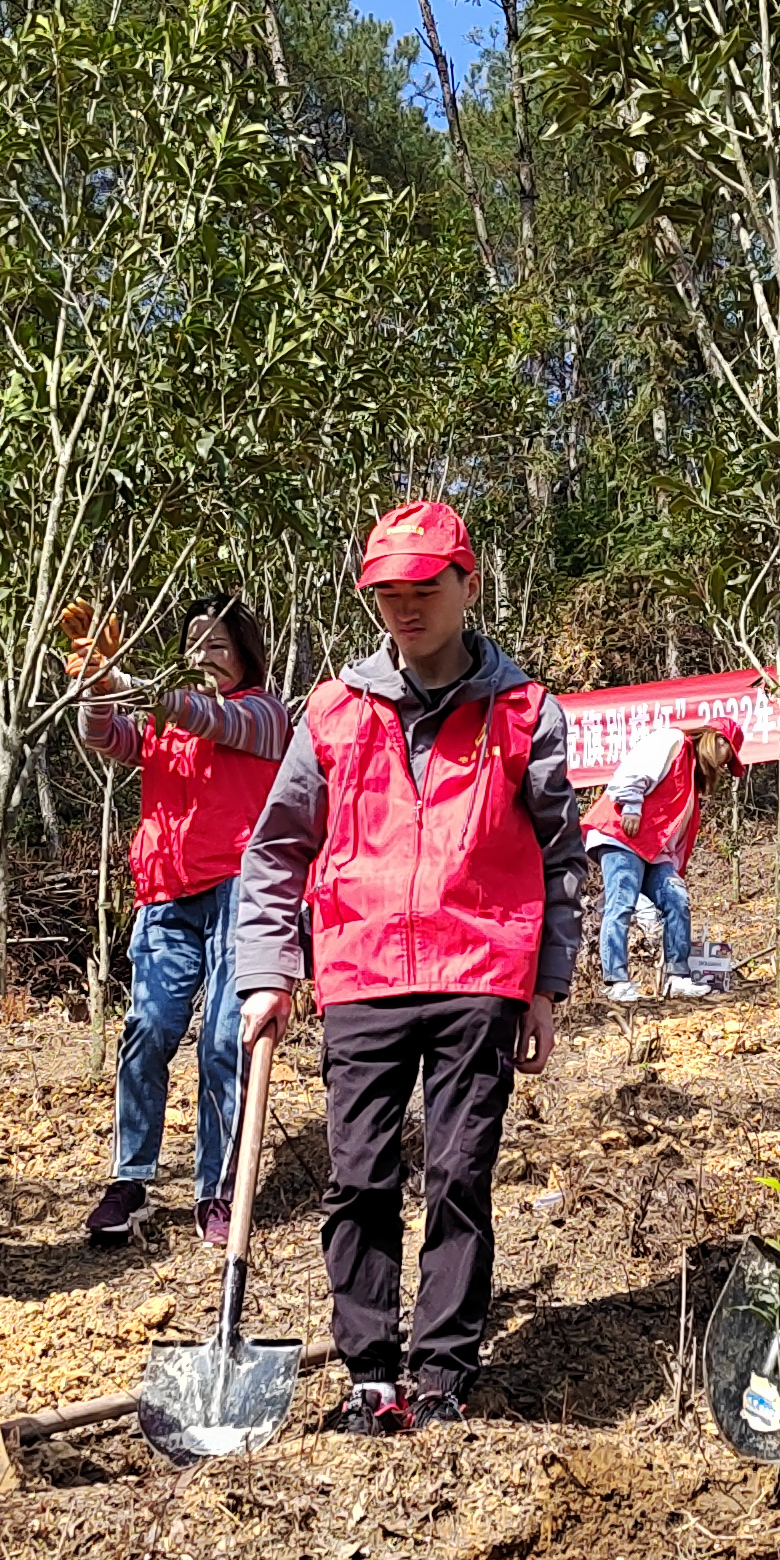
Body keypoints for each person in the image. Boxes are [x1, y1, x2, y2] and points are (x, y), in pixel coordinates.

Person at [234, 500, 578, 1433]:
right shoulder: (334, 711)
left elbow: (558, 857)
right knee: (358, 1177)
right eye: (388, 594)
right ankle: (369, 1370)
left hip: (481, 971)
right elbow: (277, 851)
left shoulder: (523, 712)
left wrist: (547, 984)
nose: (406, 609)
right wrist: (269, 970)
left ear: (468, 583)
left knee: (461, 1173)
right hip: (360, 973)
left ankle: (442, 1372)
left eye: (425, 589)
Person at [77, 597, 289, 1246]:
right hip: (165, 894)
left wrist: (129, 681)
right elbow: (104, 734)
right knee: (147, 1030)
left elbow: (205, 714)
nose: (203, 657)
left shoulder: (260, 712)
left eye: (217, 646)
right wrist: (94, 683)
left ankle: (215, 1190)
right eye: (193, 644)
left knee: (226, 1041)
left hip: (237, 892)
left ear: (245, 655)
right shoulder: (167, 722)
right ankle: (130, 1180)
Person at [586, 714, 736, 1003]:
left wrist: (674, 869)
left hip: (654, 850)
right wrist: (631, 805)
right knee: (621, 902)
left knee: (677, 900)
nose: (724, 765)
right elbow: (632, 770)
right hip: (621, 834)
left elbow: (675, 833)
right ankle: (616, 982)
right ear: (718, 740)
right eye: (728, 756)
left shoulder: (691, 782)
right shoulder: (673, 740)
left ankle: (677, 977)